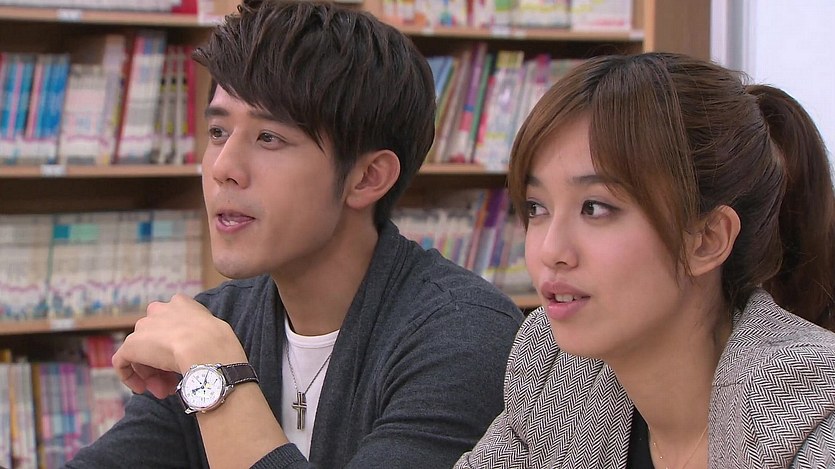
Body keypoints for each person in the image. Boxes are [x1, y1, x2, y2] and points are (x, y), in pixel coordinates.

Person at [67, 1, 524, 467]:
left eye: (269, 138)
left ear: (367, 177)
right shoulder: (220, 320)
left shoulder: (465, 334)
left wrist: (219, 375)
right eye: (218, 131)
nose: (223, 168)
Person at [455, 52, 835, 468]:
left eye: (594, 208)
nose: (550, 250)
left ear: (707, 240)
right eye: (536, 208)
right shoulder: (551, 366)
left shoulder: (813, 416)